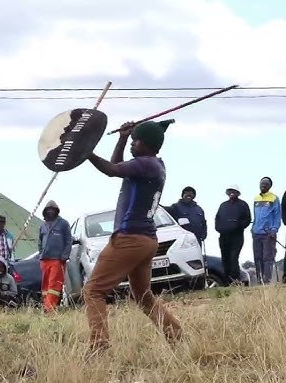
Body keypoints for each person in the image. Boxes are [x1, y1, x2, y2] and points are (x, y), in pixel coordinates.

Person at [82, 120, 182, 357]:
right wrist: (123, 137)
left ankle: (99, 345)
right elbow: (117, 165)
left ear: (145, 143)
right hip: (147, 240)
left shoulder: (145, 165)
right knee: (143, 296)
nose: (131, 145)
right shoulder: (155, 164)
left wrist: (85, 152)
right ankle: (175, 334)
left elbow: (111, 169)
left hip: (130, 238)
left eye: (135, 140)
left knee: (93, 290)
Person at [38, 200, 72, 313]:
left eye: (53, 209)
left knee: (54, 284)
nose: (51, 211)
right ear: (45, 211)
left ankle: (49, 308)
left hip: (57, 260)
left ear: (56, 211)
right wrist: (40, 254)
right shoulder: (42, 226)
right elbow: (40, 241)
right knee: (45, 286)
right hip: (44, 260)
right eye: (48, 209)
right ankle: (47, 306)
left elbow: (68, 241)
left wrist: (65, 255)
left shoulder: (63, 224)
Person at [215, 185, 252, 284]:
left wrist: (238, 226)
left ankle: (235, 280)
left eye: (234, 191)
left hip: (237, 236)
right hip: (224, 236)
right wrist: (219, 228)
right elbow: (217, 219)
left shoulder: (243, 205)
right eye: (230, 191)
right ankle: (226, 282)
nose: (232, 193)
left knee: (233, 257)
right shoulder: (223, 205)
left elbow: (248, 219)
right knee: (225, 258)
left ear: (237, 193)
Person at [251, 177, 281, 284]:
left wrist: (274, 229)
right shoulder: (256, 199)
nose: (263, 185)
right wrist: (253, 228)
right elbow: (255, 216)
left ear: (269, 186)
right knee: (257, 257)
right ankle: (260, 280)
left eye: (266, 184)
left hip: (268, 234)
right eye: (262, 183)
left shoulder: (274, 198)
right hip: (256, 233)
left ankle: (266, 280)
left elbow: (277, 216)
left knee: (267, 258)